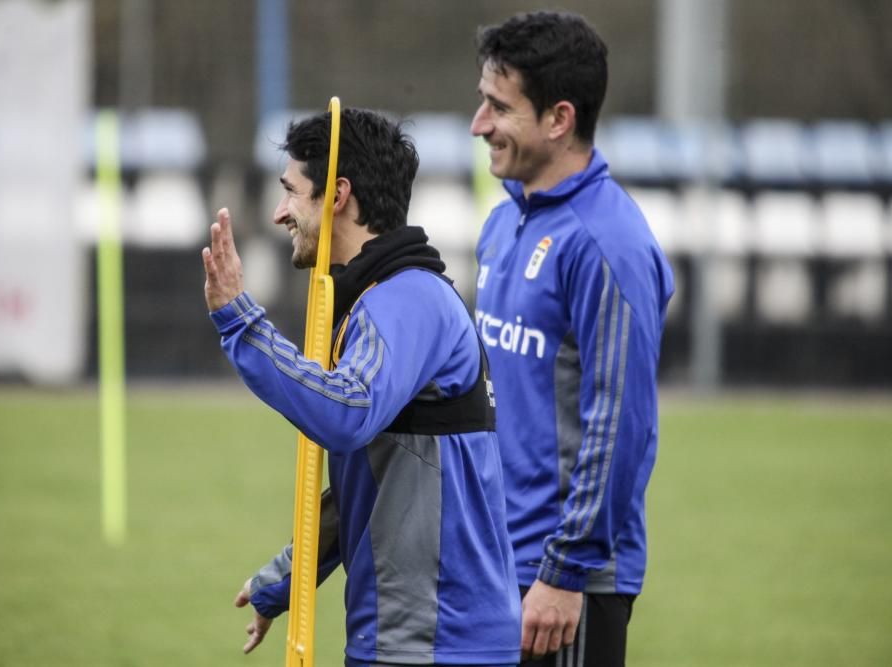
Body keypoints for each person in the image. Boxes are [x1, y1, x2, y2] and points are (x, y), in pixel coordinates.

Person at [201, 107, 521, 667]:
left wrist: (240, 321)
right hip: (411, 639)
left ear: (338, 195)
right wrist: (285, 580)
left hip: (437, 643)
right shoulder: (381, 299)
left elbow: (347, 413)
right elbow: (378, 484)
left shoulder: (408, 299)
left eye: (291, 191)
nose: (279, 213)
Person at [469, 11, 675, 667]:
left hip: (562, 585)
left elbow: (621, 422)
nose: (480, 124)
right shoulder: (504, 222)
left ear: (559, 119)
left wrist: (565, 570)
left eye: (499, 107)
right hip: (493, 565)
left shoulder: (606, 243)